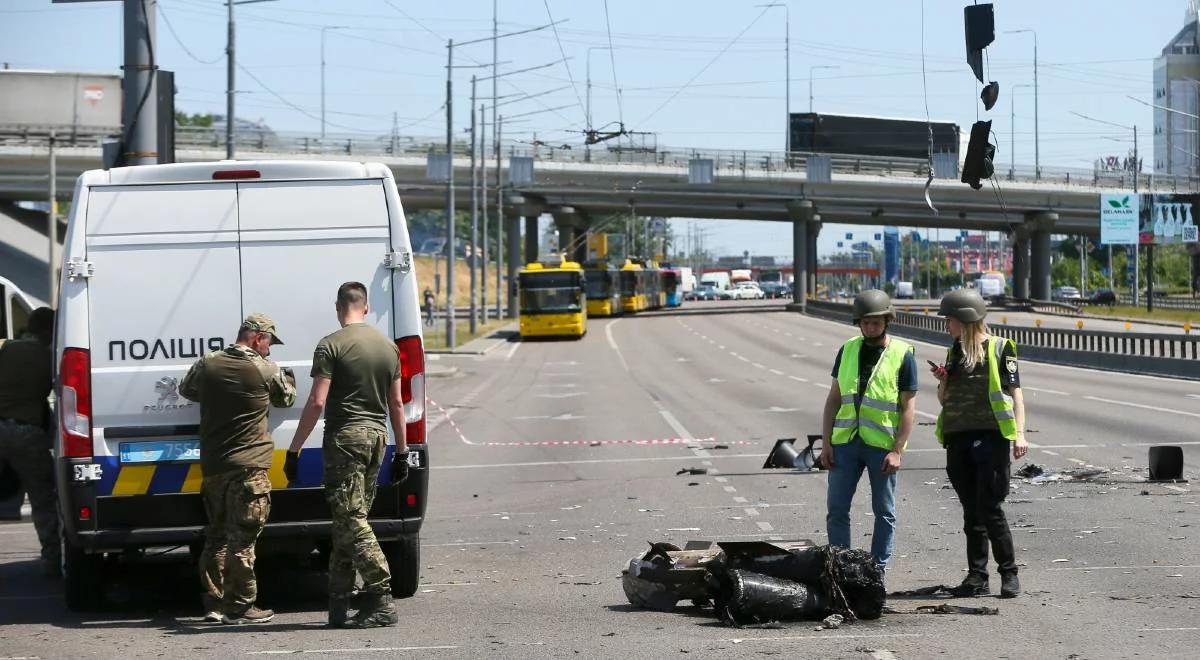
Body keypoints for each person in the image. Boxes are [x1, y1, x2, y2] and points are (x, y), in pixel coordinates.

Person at [285, 282, 409, 629]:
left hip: (345, 439)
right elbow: (397, 404)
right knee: (346, 521)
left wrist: (294, 448)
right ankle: (338, 602)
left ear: (338, 307)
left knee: (351, 519)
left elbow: (318, 402)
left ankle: (381, 593)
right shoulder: (388, 347)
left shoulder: (330, 346)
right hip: (378, 439)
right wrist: (402, 452)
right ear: (365, 308)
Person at [180, 313, 296, 624]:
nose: (269, 349)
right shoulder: (264, 368)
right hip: (249, 468)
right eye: (269, 342)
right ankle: (242, 605)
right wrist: (288, 377)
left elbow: (187, 390)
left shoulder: (209, 363)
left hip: (215, 466)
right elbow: (286, 399)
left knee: (216, 536)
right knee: (243, 539)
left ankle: (214, 603)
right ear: (258, 337)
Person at [931, 289, 1027, 598]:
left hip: (991, 436)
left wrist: (1020, 434)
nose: (947, 325)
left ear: (965, 319)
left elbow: (1016, 395)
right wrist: (943, 379)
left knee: (990, 508)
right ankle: (977, 576)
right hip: (958, 437)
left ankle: (1009, 574)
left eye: (950, 320)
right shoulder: (954, 351)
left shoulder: (1000, 348)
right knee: (970, 511)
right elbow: (944, 400)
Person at [820, 289, 917, 571]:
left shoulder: (902, 354)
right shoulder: (848, 349)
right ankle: (841, 567)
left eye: (876, 322)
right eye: (865, 322)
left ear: (887, 321)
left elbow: (908, 407)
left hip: (881, 447)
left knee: (884, 512)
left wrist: (897, 450)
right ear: (858, 322)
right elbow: (833, 400)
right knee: (837, 510)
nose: (870, 327)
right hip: (846, 443)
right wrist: (826, 443)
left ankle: (877, 571)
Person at [0, 308, 59, 575]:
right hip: (27, 433)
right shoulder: (50, 358)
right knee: (42, 498)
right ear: (48, 332)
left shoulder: (7, 348)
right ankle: (51, 558)